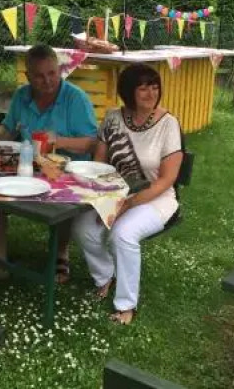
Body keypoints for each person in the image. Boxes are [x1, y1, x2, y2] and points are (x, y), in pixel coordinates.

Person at [0, 44, 97, 290]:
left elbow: (92, 142)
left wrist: (59, 141)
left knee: (62, 198)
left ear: (59, 70)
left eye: (52, 73)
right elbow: (8, 129)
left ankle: (60, 255)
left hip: (65, 171)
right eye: (39, 76)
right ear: (28, 76)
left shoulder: (75, 98)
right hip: (28, 167)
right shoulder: (22, 96)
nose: (47, 81)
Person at [72, 64, 183, 325]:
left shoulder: (168, 124)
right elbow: (99, 164)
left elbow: (166, 180)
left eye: (154, 86)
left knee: (123, 234)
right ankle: (105, 276)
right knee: (82, 227)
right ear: (128, 91)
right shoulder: (113, 118)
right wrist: (102, 199)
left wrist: (127, 205)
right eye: (143, 88)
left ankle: (126, 305)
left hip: (156, 197)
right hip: (116, 192)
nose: (151, 93)